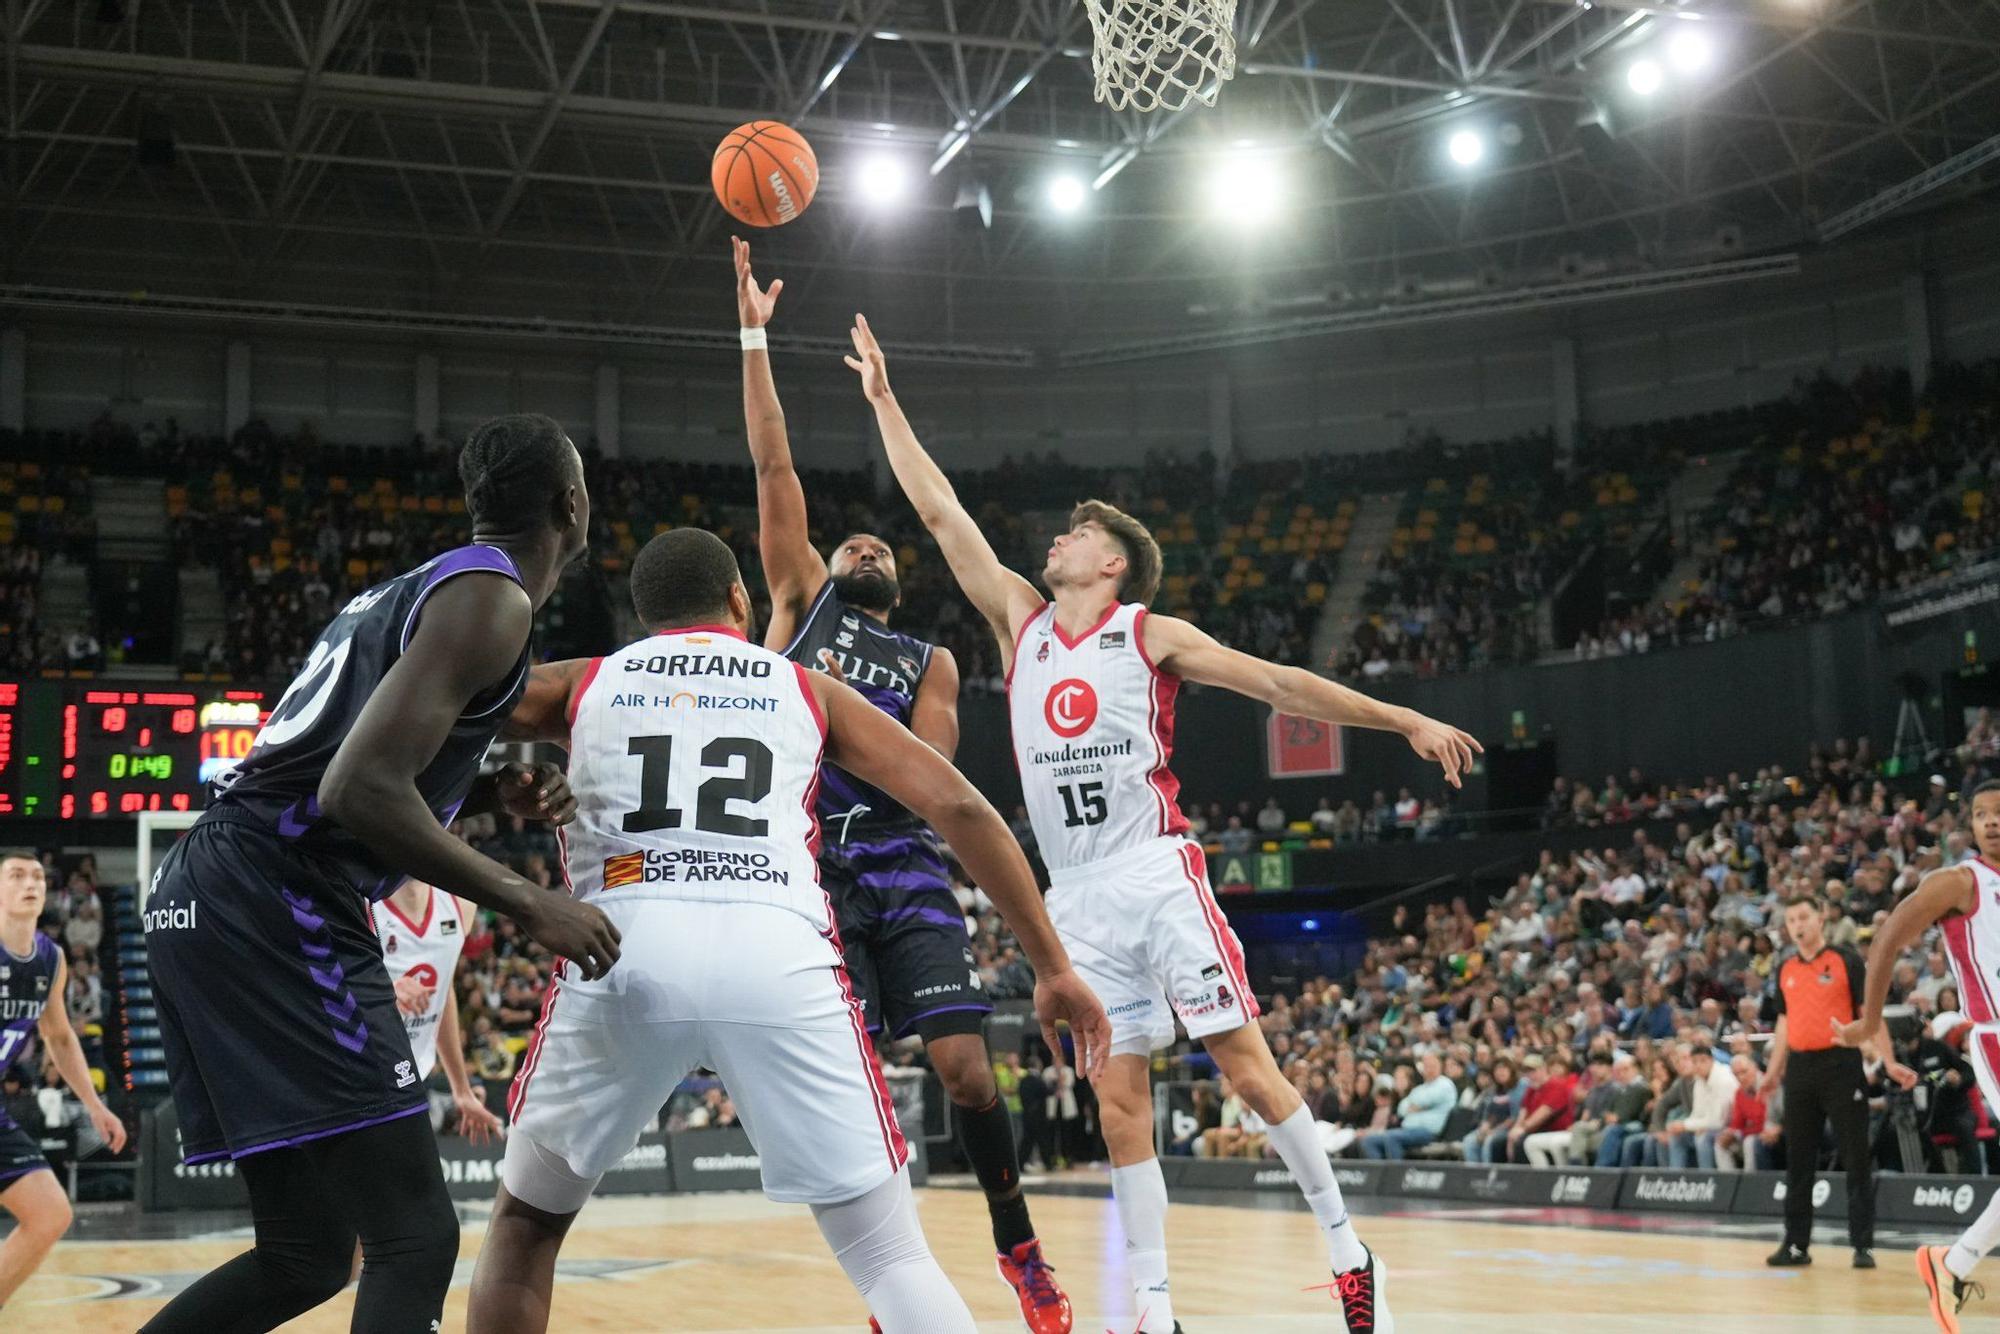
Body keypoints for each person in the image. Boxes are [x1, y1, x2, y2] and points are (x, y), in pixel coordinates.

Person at [846, 311, 1480, 1334]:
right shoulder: (1020, 621)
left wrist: (1401, 717)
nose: (1058, 538)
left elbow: (1278, 683)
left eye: (1078, 533)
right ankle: (1150, 1305)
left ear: (1112, 565)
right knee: (1118, 1102)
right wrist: (884, 401)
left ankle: (1347, 1249)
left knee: (1244, 1069)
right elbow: (939, 510)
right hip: (1074, 898)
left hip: (1154, 869)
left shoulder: (1149, 632)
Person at [464, 528, 1109, 1334]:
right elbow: (959, 807)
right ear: (740, 601)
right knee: (890, 1257)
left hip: (619, 948)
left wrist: (498, 791)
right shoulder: (804, 686)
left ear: (644, 616)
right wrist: (1052, 966)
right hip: (775, 948)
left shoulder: (585, 680)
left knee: (526, 1228)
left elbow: (436, 714)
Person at [139, 414, 623, 1334]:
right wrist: (528, 899)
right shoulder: (495, 600)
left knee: (306, 1252)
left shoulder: (424, 587)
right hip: (275, 891)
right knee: (415, 1237)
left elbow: (345, 766)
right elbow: (356, 787)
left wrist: (485, 791)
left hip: (206, 888)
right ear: (572, 504)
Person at [730, 240, 1070, 1331]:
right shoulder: (798, 602)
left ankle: (1018, 1245)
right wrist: (754, 339)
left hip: (902, 859)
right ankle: (898, 1276)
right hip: (809, 868)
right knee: (850, 1081)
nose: (868, 547)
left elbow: (931, 780)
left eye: (881, 547)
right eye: (854, 543)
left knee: (966, 1070)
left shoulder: (930, 659)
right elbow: (774, 469)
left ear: (895, 578)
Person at [1835, 779, 2000, 1331]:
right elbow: (1886, 940)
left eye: (1999, 812)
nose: (1992, 821)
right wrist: (1870, 1019)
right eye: (1981, 814)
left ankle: (1950, 1265)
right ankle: (1952, 1264)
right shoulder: (1958, 882)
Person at [0, 854, 126, 1312]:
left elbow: (58, 1036)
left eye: (37, 876)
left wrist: (94, 1104)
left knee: (50, 1213)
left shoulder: (50, 959)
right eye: (16, 875)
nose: (30, 882)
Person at [1761, 893, 1913, 1272]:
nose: (1797, 925)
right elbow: (1784, 1023)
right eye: (1791, 920)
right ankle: (1796, 1244)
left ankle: (1862, 1245)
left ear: (1821, 918)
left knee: (1855, 1156)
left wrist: (1888, 1061)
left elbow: (1870, 1014)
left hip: (1841, 1064)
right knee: (1798, 1160)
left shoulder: (1845, 960)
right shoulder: (1785, 968)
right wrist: (1773, 1072)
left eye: (1803, 917)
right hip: (1800, 1069)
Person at [374, 879, 502, 1142]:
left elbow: (443, 992)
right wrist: (381, 991)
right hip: (356, 1078)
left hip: (411, 1075)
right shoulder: (361, 904)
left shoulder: (461, 904)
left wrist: (461, 1088)